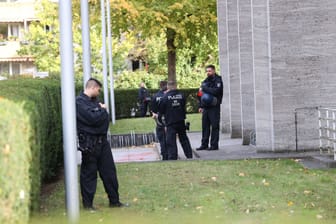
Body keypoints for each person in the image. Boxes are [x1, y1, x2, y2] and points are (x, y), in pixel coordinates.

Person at [76, 78, 125, 210]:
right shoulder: (79, 102)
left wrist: (100, 112)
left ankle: (114, 201)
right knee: (89, 175)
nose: (99, 92)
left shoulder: (95, 102)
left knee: (109, 173)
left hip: (102, 142)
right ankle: (88, 205)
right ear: (92, 87)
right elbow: (92, 119)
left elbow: (103, 121)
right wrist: (101, 111)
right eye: (98, 89)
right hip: (89, 144)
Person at [159, 81, 193, 160]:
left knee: (171, 141)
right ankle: (189, 155)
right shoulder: (181, 95)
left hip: (170, 122)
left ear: (168, 86)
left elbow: (161, 110)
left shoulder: (165, 97)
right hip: (181, 120)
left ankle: (173, 158)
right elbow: (184, 106)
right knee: (184, 139)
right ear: (176, 86)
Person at [196, 65, 223, 151]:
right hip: (206, 107)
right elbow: (200, 94)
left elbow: (216, 91)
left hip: (214, 107)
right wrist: (200, 106)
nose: (208, 73)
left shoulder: (218, 80)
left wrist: (205, 88)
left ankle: (214, 145)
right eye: (207, 71)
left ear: (214, 71)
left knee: (214, 126)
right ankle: (204, 144)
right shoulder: (205, 81)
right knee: (205, 126)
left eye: (210, 71)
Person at [151, 80, 168, 160]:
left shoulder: (155, 96)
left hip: (160, 121)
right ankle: (170, 154)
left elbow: (153, 111)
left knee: (162, 139)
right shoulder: (169, 95)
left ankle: (164, 155)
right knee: (169, 139)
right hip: (169, 120)